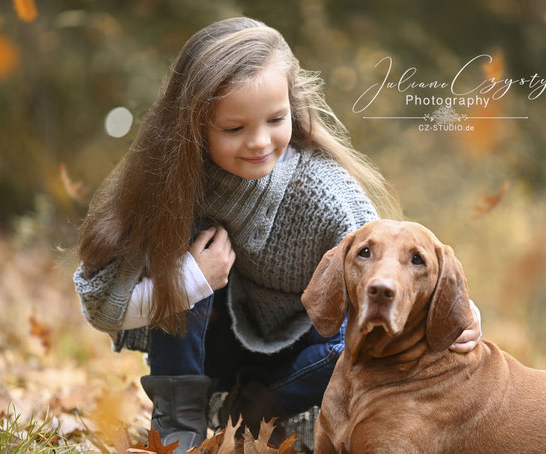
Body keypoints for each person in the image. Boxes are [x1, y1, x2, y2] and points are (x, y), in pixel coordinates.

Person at [73, 17, 482, 452]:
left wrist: (463, 312)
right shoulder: (173, 183)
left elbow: (388, 265)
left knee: (359, 339)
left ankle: (254, 412)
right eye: (234, 128)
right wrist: (192, 277)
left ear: (293, 106)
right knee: (185, 244)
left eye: (276, 119)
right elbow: (101, 305)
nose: (259, 141)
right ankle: (179, 425)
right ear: (192, 125)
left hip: (305, 360)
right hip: (211, 351)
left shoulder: (323, 191)